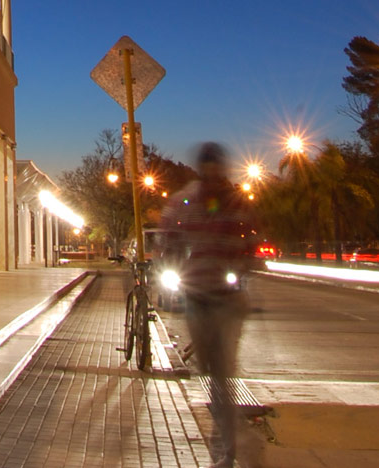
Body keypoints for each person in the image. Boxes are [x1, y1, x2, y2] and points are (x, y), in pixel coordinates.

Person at [158, 142, 257, 468]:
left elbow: (251, 241)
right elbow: (169, 232)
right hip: (197, 298)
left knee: (222, 374)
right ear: (202, 168)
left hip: (227, 300)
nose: (213, 171)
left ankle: (226, 452)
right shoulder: (186, 201)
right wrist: (168, 252)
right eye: (208, 165)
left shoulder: (237, 202)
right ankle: (230, 437)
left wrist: (245, 261)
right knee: (208, 369)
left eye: (218, 165)